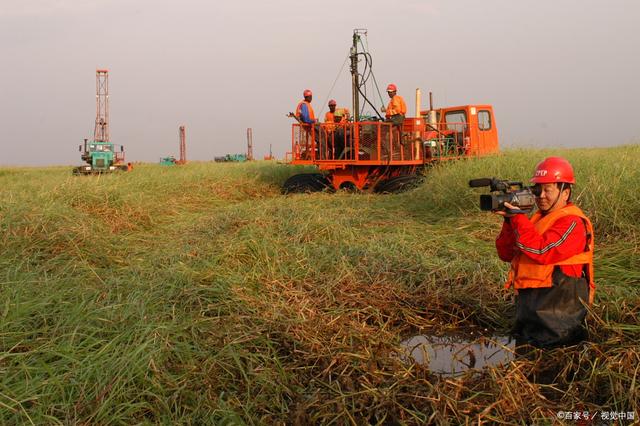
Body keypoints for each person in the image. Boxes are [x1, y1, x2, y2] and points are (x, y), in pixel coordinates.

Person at [494, 157, 595, 348]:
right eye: (537, 190)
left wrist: (519, 219)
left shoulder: (573, 223)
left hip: (557, 323)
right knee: (525, 364)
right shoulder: (535, 219)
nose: (540, 196)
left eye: (547, 190)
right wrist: (510, 221)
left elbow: (542, 250)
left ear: (565, 193)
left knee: (554, 369)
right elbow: (505, 253)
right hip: (530, 315)